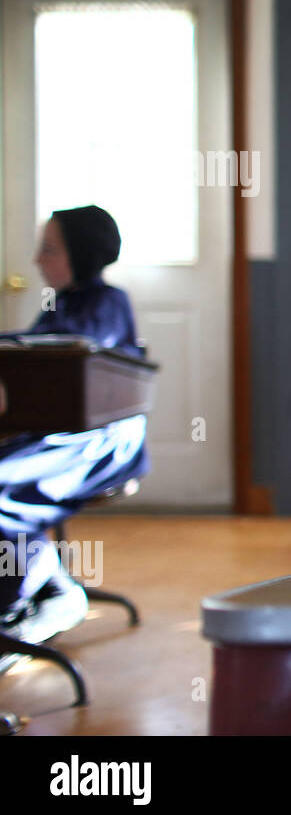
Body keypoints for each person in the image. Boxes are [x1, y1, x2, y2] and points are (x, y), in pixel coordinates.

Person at [0, 205, 149, 653]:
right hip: (53, 434)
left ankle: (38, 589)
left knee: (5, 491)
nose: (37, 259)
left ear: (80, 255)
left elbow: (67, 355)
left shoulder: (107, 302)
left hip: (99, 442)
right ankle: (47, 581)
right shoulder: (59, 305)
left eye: (48, 249)